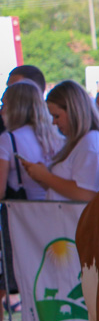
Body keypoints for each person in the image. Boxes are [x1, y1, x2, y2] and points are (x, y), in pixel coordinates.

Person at [0, 80, 64, 309]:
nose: (2, 110)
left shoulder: (9, 139)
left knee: (23, 280)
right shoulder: (56, 137)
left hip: (20, 219)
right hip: (54, 214)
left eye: (4, 104)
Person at [20, 80, 99, 202]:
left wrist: (45, 176)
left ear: (73, 111)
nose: (54, 122)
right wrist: (41, 177)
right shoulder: (80, 141)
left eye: (57, 116)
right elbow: (63, 190)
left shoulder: (92, 143)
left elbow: (86, 194)